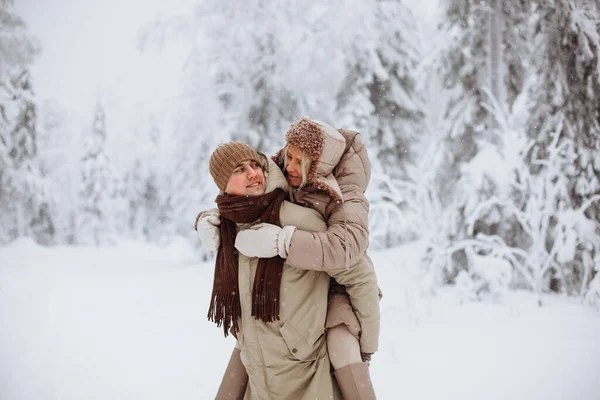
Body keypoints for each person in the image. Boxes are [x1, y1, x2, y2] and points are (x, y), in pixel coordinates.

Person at [235, 117, 380, 400]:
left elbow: (346, 250)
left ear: (318, 166)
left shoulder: (347, 195)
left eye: (299, 162)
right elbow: (242, 190)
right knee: (249, 338)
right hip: (301, 285)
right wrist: (212, 219)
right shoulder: (283, 170)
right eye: (288, 155)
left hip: (340, 289)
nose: (289, 165)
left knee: (343, 345)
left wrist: (284, 242)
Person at [195, 141, 341, 400]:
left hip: (307, 379)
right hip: (259, 380)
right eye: (239, 170)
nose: (253, 173)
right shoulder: (230, 229)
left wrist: (362, 347)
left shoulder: (301, 220)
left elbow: (355, 270)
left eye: (255, 165)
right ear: (223, 185)